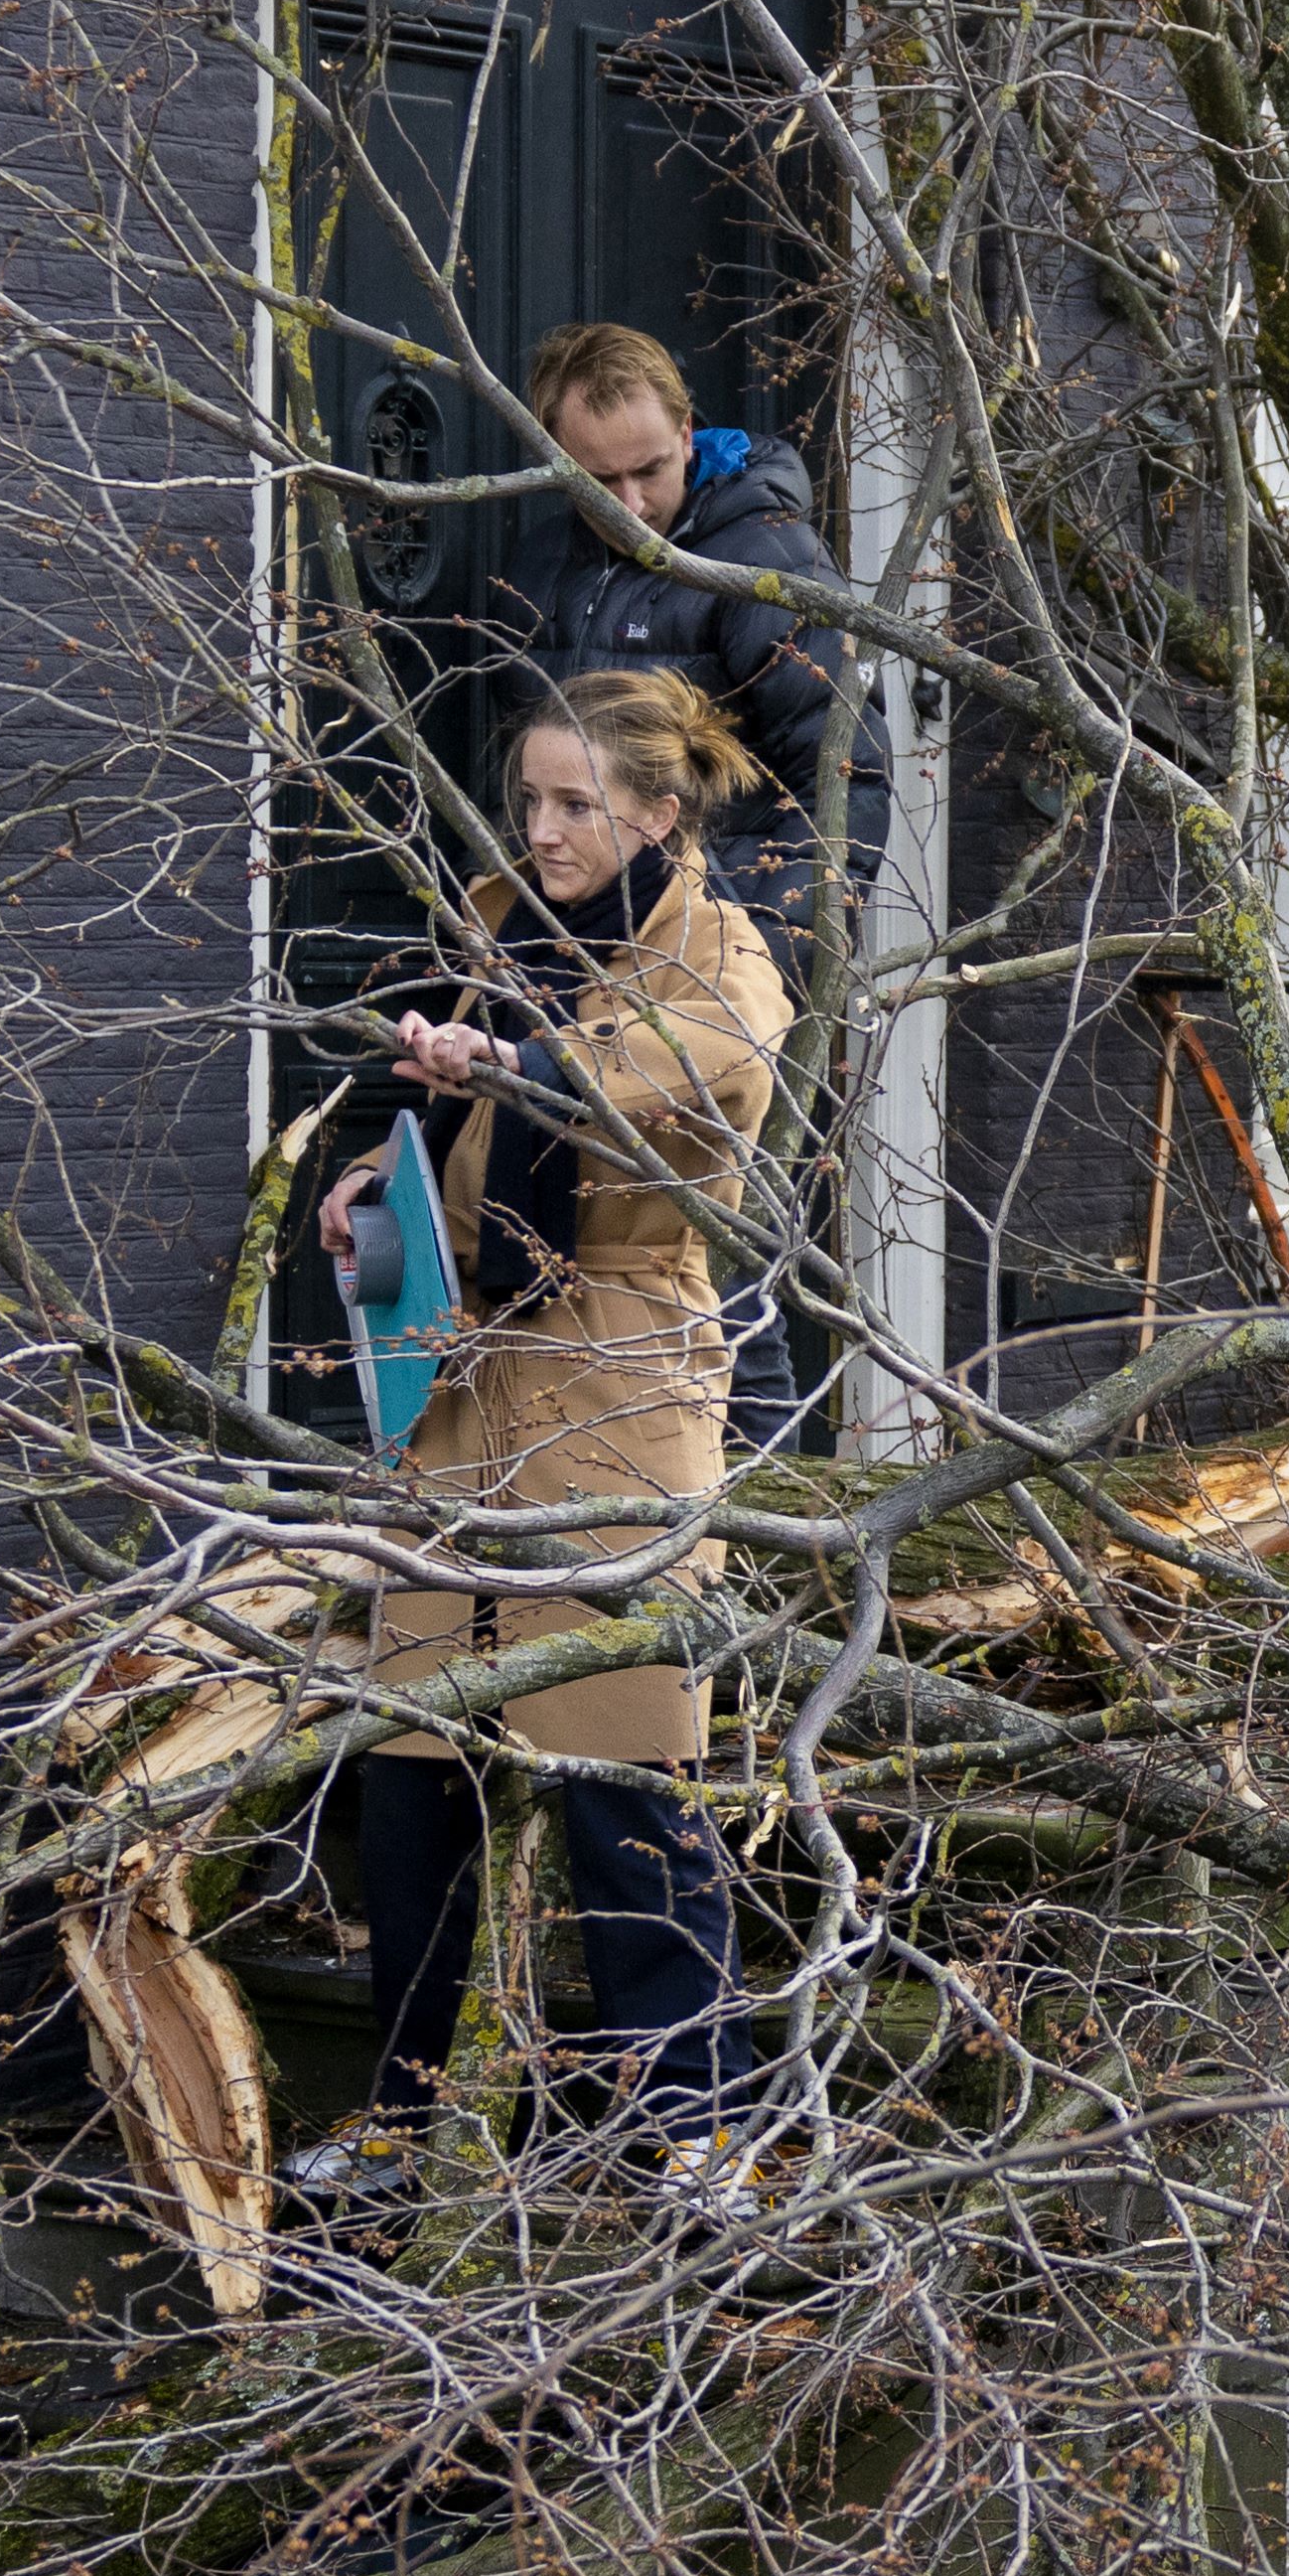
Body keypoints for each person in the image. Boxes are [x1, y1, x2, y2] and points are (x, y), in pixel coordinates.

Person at [312, 671, 797, 2169]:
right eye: (529, 800)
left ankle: (695, 2126)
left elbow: (658, 1072)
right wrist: (376, 1191)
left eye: (576, 803)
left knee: (623, 1773)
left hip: (620, 1372)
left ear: (657, 810)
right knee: (412, 1766)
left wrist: (516, 1059)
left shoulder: (719, 953)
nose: (544, 828)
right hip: (465, 1376)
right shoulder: (509, 937)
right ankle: (408, 2116)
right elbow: (461, 1146)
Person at [513, 321, 878, 939]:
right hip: (560, 951)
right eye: (600, 482)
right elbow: (508, 763)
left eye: (649, 470)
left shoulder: (771, 561)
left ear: (686, 435)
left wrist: (766, 966)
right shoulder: (540, 564)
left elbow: (845, 785)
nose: (631, 506)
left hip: (707, 953)